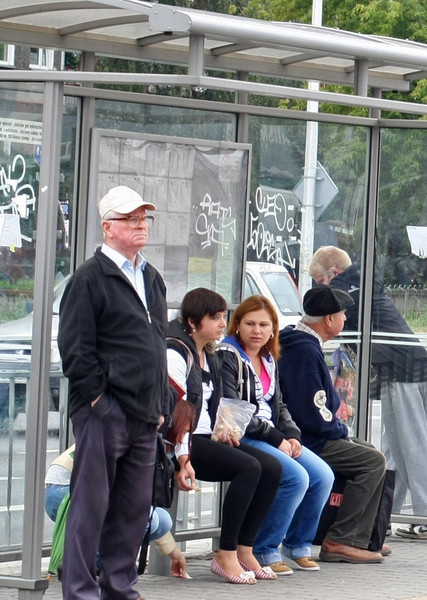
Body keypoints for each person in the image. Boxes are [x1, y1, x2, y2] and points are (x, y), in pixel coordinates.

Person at [58, 185, 171, 600]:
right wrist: (98, 402)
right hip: (104, 413)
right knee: (90, 508)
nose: (141, 225)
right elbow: (75, 348)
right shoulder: (90, 278)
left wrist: (161, 405)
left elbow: (156, 344)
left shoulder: (151, 277)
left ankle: (120, 589)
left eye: (144, 218)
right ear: (108, 228)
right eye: (131, 219)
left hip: (144, 415)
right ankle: (81, 592)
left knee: (132, 511)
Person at [309, 246, 427, 541]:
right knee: (395, 445)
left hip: (400, 370)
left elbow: (327, 321)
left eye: (320, 281)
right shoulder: (365, 281)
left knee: (411, 444)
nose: (322, 289)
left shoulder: (343, 289)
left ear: (333, 273)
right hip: (414, 366)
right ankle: (382, 511)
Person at [167, 287, 283, 585]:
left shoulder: (209, 354)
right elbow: (177, 412)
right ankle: (225, 554)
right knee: (249, 467)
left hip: (208, 438)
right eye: (215, 317)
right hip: (185, 442)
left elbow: (218, 405)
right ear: (193, 322)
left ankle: (245, 549)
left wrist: (227, 430)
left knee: (272, 468)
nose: (222, 323)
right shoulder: (176, 352)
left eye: (223, 317)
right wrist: (182, 459)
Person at [221, 295, 335, 573]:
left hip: (273, 434)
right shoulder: (228, 355)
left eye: (264, 324)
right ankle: (263, 548)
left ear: (273, 328)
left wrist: (293, 435)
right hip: (242, 434)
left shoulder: (269, 357)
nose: (256, 330)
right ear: (237, 325)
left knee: (323, 475)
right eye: (249, 323)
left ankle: (298, 546)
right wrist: (277, 439)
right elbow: (235, 412)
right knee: (296, 478)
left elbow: (279, 404)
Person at [279, 285, 388, 562]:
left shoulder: (299, 341)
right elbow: (312, 412)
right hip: (308, 438)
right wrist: (340, 432)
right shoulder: (304, 350)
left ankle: (364, 536)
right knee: (372, 461)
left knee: (368, 450)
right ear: (329, 319)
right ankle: (341, 539)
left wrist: (341, 432)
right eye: (341, 314)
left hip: (310, 433)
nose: (345, 319)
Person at [44, 446, 189, 579]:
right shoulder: (138, 434)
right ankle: (98, 568)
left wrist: (174, 552)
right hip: (62, 491)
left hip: (88, 489)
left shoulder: (151, 438)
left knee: (162, 519)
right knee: (138, 516)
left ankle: (94, 563)